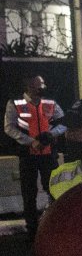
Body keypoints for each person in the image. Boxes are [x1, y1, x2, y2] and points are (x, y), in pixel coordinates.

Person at [4, 75, 66, 238]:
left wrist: (49, 136)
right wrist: (31, 142)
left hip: (48, 153)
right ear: (30, 87)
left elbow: (63, 123)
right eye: (39, 85)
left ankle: (56, 224)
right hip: (27, 154)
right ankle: (32, 229)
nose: (43, 87)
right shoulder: (15, 104)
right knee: (29, 192)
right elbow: (9, 128)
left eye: (43, 84)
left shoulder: (50, 103)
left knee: (54, 188)